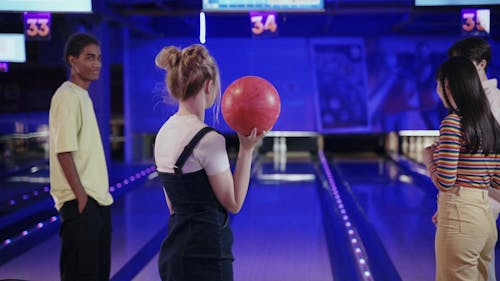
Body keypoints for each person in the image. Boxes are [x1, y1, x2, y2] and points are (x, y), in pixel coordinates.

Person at [153, 44, 265, 281]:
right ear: (208, 85)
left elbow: (173, 206)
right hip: (208, 257)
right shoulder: (210, 140)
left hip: (174, 255)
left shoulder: (163, 134)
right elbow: (233, 203)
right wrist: (246, 150)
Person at [423, 56, 500, 281]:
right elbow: (496, 180)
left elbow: (446, 182)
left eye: (438, 84)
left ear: (448, 86)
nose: (437, 90)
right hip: (484, 219)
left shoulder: (453, 122)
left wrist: (429, 159)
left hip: (460, 217)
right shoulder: (488, 123)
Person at [49, 32, 113, 281]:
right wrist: (82, 198)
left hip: (96, 202)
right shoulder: (66, 96)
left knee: (97, 275)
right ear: (72, 60)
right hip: (81, 204)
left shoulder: (82, 96)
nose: (96, 63)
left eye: (99, 58)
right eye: (89, 57)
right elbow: (63, 151)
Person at [447, 36, 500, 281]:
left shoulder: (492, 104)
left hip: (479, 202)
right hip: (477, 202)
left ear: (481, 64)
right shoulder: (471, 103)